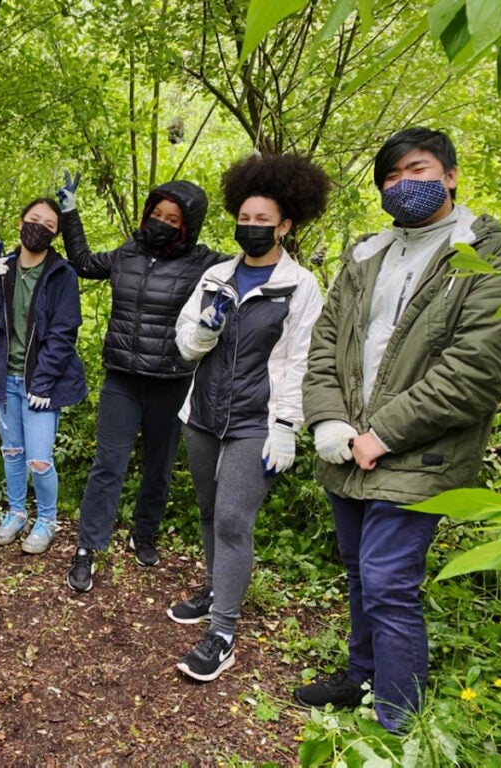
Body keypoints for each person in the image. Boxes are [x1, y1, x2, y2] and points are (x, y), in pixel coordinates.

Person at [294, 127, 501, 732]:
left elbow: (476, 368)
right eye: (390, 177)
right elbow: (325, 344)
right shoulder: (366, 255)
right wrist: (328, 419)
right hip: (346, 446)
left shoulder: (483, 255)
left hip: (421, 453)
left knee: (389, 582)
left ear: (451, 175)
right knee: (359, 570)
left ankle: (396, 720)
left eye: (416, 170)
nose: (402, 185)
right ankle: (364, 676)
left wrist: (381, 434)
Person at [169, 153, 328, 683]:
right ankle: (216, 586)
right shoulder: (215, 275)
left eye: (264, 221)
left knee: (236, 520)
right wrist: (204, 331)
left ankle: (223, 634)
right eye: (245, 218)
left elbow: (304, 360)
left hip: (256, 422)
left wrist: (288, 426)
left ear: (285, 225)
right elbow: (186, 346)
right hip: (203, 415)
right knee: (211, 512)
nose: (252, 227)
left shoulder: (300, 285)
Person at [58, 174, 227, 592]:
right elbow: (82, 261)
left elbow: (252, 269)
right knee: (108, 465)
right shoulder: (127, 253)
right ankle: (87, 548)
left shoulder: (205, 262)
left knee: (159, 466)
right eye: (156, 214)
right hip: (122, 378)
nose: (162, 223)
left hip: (172, 380)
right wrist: (69, 211)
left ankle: (144, 532)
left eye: (173, 218)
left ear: (188, 225)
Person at [0, 198, 87, 554]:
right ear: (21, 221)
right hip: (5, 377)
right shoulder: (5, 266)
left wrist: (43, 382)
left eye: (49, 224)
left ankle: (47, 519)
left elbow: (64, 332)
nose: (40, 226)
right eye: (34, 219)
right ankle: (17, 513)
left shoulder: (61, 274)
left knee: (39, 459)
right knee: (11, 452)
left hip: (41, 383)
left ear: (55, 234)